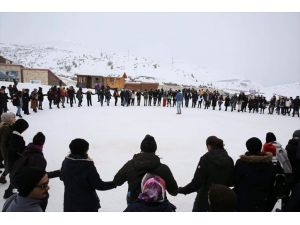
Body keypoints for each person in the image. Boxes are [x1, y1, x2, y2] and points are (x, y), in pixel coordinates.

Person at [113, 134, 178, 204]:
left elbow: (117, 181)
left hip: (134, 207)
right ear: (155, 149)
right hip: (158, 208)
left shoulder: (129, 165)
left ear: (141, 148)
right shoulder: (164, 169)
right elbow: (174, 192)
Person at [177, 136, 234, 212]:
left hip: (205, 200)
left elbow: (196, 183)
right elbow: (231, 182)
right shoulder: (229, 160)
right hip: (224, 199)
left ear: (209, 146)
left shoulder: (205, 159)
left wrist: (181, 190)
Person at [60, 138, 116, 212]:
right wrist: (114, 183)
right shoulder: (87, 165)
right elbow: (99, 185)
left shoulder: (66, 162)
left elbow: (62, 176)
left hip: (69, 205)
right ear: (84, 151)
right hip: (87, 206)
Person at [234, 137, 276, 212]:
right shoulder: (270, 165)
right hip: (262, 203)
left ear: (248, 148)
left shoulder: (241, 163)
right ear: (260, 147)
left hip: (243, 203)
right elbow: (272, 187)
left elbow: (236, 182)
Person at [4, 119, 29, 199]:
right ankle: (8, 192)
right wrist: (26, 149)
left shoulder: (12, 135)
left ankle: (10, 190)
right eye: (25, 129)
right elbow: (19, 151)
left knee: (14, 177)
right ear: (21, 128)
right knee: (16, 177)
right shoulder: (18, 139)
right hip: (15, 162)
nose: (25, 130)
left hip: (11, 160)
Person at [0, 113, 16, 184]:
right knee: (9, 165)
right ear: (8, 119)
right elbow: (4, 142)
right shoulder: (6, 128)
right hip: (6, 150)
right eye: (13, 118)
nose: (14, 119)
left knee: (10, 164)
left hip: (6, 149)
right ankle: (2, 177)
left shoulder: (8, 126)